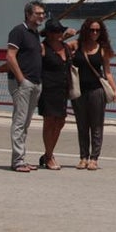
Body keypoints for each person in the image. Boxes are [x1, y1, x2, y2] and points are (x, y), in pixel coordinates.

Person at [71, 19, 116, 170]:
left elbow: (108, 72)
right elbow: (57, 46)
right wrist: (66, 34)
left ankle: (94, 158)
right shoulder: (76, 45)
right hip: (78, 90)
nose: (94, 33)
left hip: (96, 90)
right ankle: (83, 157)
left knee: (96, 125)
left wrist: (115, 90)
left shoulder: (102, 49)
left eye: (97, 30)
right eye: (91, 30)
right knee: (82, 125)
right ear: (86, 30)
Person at [5, 1, 45, 172]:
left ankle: (21, 158)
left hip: (35, 82)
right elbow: (10, 56)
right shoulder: (18, 31)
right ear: (28, 15)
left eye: (43, 13)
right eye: (38, 13)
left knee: (26, 122)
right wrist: (21, 79)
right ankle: (17, 161)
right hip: (23, 83)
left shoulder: (34, 33)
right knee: (19, 122)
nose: (42, 16)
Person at [37, 17, 74, 170]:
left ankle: (47, 154)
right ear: (49, 34)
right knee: (49, 121)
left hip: (63, 90)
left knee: (60, 122)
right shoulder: (43, 47)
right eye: (56, 31)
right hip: (48, 89)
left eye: (60, 30)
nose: (59, 33)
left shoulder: (66, 47)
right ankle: (50, 156)